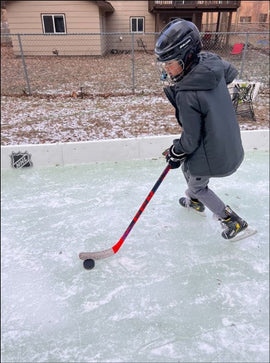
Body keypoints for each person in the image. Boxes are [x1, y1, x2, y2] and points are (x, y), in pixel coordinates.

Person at [155, 18, 248, 240]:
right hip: (227, 142)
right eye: (164, 64)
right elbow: (228, 71)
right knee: (188, 167)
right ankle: (195, 203)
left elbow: (191, 139)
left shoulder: (188, 93)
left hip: (214, 152)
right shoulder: (209, 65)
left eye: (171, 63)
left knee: (197, 184)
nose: (167, 69)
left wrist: (176, 151)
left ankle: (233, 221)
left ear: (187, 57)